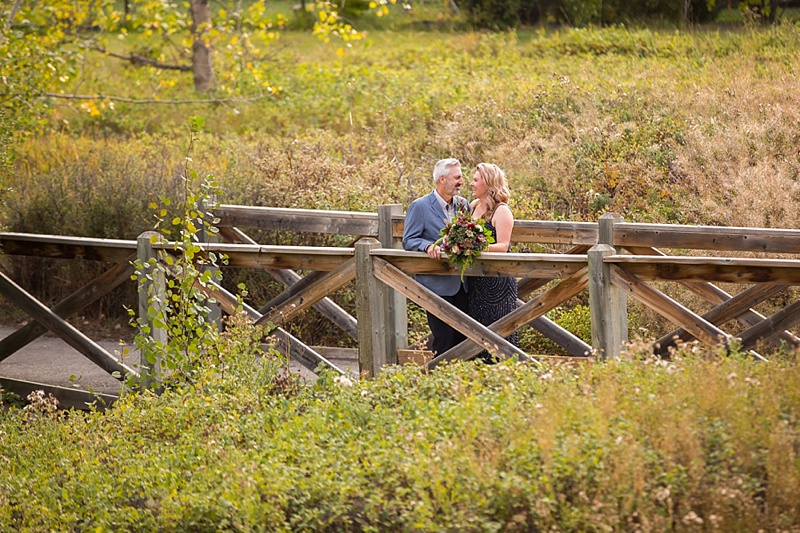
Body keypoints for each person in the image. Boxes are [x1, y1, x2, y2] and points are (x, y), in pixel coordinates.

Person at [402, 158, 471, 357]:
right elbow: (409, 240)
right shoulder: (420, 206)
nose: (461, 181)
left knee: (463, 338)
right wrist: (427, 246)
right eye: (457, 177)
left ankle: (460, 384)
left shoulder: (463, 205)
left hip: (462, 283)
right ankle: (439, 380)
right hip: (436, 284)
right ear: (442, 179)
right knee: (444, 339)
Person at [468, 162, 518, 363]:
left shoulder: (502, 211)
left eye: (475, 180)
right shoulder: (472, 207)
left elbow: (503, 246)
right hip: (476, 281)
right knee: (476, 331)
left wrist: (472, 247)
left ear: (488, 183)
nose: (471, 184)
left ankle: (504, 375)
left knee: (500, 330)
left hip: (498, 283)